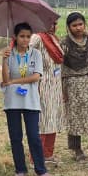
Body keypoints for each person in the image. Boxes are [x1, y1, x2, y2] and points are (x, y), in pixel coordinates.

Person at [2, 22, 52, 176]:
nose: (25, 40)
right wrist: (3, 60)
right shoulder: (9, 54)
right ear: (15, 37)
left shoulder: (35, 54)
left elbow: (36, 77)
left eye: (28, 36)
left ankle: (41, 170)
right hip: (12, 101)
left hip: (31, 101)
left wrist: (15, 81)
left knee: (33, 136)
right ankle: (20, 169)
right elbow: (5, 79)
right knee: (16, 137)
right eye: (22, 36)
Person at [59, 12, 88, 160]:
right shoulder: (64, 44)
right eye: (74, 25)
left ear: (85, 24)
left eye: (80, 24)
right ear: (68, 27)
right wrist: (61, 89)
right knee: (74, 115)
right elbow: (59, 68)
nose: (78, 28)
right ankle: (76, 149)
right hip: (72, 84)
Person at [30, 23, 66, 166]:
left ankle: (48, 154)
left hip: (55, 85)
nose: (52, 26)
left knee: (53, 119)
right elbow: (26, 53)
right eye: (48, 22)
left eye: (55, 23)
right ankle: (36, 157)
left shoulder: (53, 38)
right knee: (43, 120)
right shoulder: (37, 37)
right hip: (43, 84)